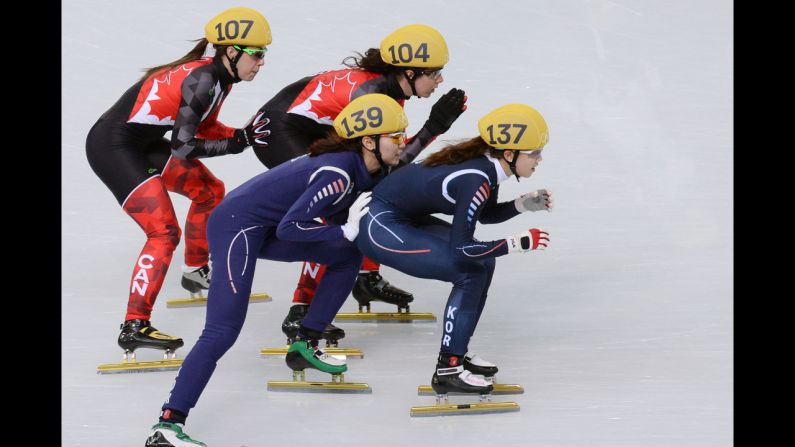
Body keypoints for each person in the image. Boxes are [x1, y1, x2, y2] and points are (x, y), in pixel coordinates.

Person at [144, 94, 408, 446]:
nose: (403, 143)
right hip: (235, 225)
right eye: (397, 137)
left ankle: (305, 343)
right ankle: (167, 424)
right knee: (222, 330)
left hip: (263, 225)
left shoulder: (365, 168)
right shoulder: (338, 172)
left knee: (347, 255)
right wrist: (343, 230)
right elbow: (291, 228)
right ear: (369, 141)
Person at [246, 23, 468, 342]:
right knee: (338, 205)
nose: (440, 80)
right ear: (408, 72)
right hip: (283, 132)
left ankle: (364, 276)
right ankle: (301, 310)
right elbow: (393, 162)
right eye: (434, 72)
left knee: (370, 191)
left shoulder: (390, 91)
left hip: (306, 125)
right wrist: (433, 128)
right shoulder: (374, 95)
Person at [84, 7, 273, 358]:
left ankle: (194, 270)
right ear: (231, 51)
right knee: (163, 231)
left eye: (264, 54)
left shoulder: (219, 79)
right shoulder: (203, 79)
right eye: (257, 54)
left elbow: (202, 129)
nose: (261, 62)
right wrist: (236, 143)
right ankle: (134, 325)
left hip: (144, 142)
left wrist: (241, 135)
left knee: (210, 191)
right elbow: (184, 146)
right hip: (114, 147)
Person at [355, 104, 554, 396]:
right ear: (509, 154)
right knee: (469, 271)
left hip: (405, 217)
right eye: (534, 152)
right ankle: (448, 369)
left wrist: (521, 205)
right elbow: (462, 249)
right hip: (378, 225)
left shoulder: (489, 167)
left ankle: (456, 355)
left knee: (484, 265)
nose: (539, 159)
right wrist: (516, 244)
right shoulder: (476, 177)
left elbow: (483, 214)